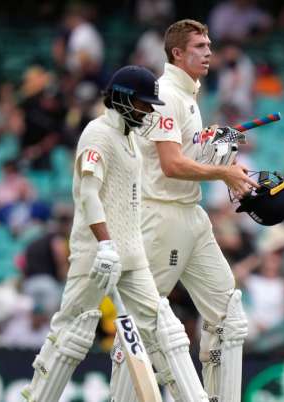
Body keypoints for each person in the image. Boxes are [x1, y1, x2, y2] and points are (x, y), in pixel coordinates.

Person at [21, 66, 208, 402]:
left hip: (132, 254)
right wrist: (105, 244)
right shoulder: (97, 134)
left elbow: (171, 156)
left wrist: (206, 142)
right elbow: (89, 194)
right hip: (97, 255)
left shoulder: (132, 136)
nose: (149, 110)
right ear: (121, 98)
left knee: (162, 327)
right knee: (70, 336)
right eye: (143, 103)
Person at [127, 19, 258, 402]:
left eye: (210, 44)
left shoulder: (189, 95)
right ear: (177, 53)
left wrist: (217, 146)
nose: (209, 52)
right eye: (200, 46)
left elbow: (188, 156)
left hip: (191, 215)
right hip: (161, 216)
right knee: (142, 327)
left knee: (229, 318)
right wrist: (223, 172)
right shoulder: (165, 93)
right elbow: (171, 165)